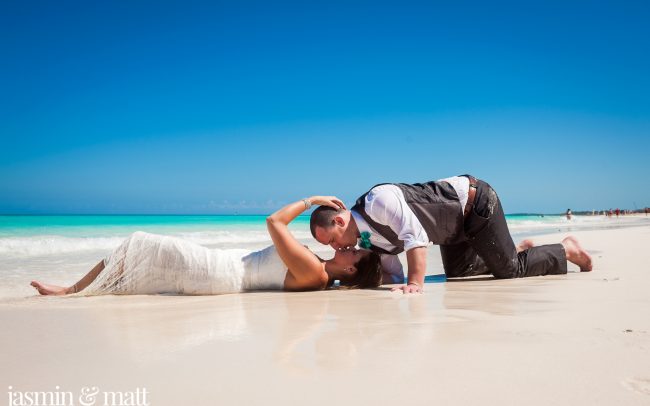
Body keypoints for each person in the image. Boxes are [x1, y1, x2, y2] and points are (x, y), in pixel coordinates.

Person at [30, 196, 383, 296]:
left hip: (219, 272)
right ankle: (79, 289)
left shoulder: (316, 272)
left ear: (350, 268)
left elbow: (274, 222)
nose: (349, 246)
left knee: (135, 245)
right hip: (219, 270)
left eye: (354, 251)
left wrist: (311, 199)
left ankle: (70, 290)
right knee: (133, 256)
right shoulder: (318, 269)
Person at [310, 174, 593, 294]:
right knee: (460, 272)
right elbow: (394, 275)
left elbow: (415, 236)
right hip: (454, 230)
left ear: (338, 220)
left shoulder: (378, 200)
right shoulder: (368, 240)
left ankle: (564, 249)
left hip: (475, 204)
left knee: (509, 271)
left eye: (332, 240)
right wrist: (345, 281)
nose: (336, 248)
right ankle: (514, 249)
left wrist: (416, 283)